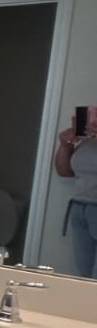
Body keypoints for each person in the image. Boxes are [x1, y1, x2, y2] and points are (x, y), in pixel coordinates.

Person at [55, 117, 97, 278]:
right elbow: (65, 171)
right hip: (80, 208)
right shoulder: (87, 139)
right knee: (84, 277)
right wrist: (65, 146)